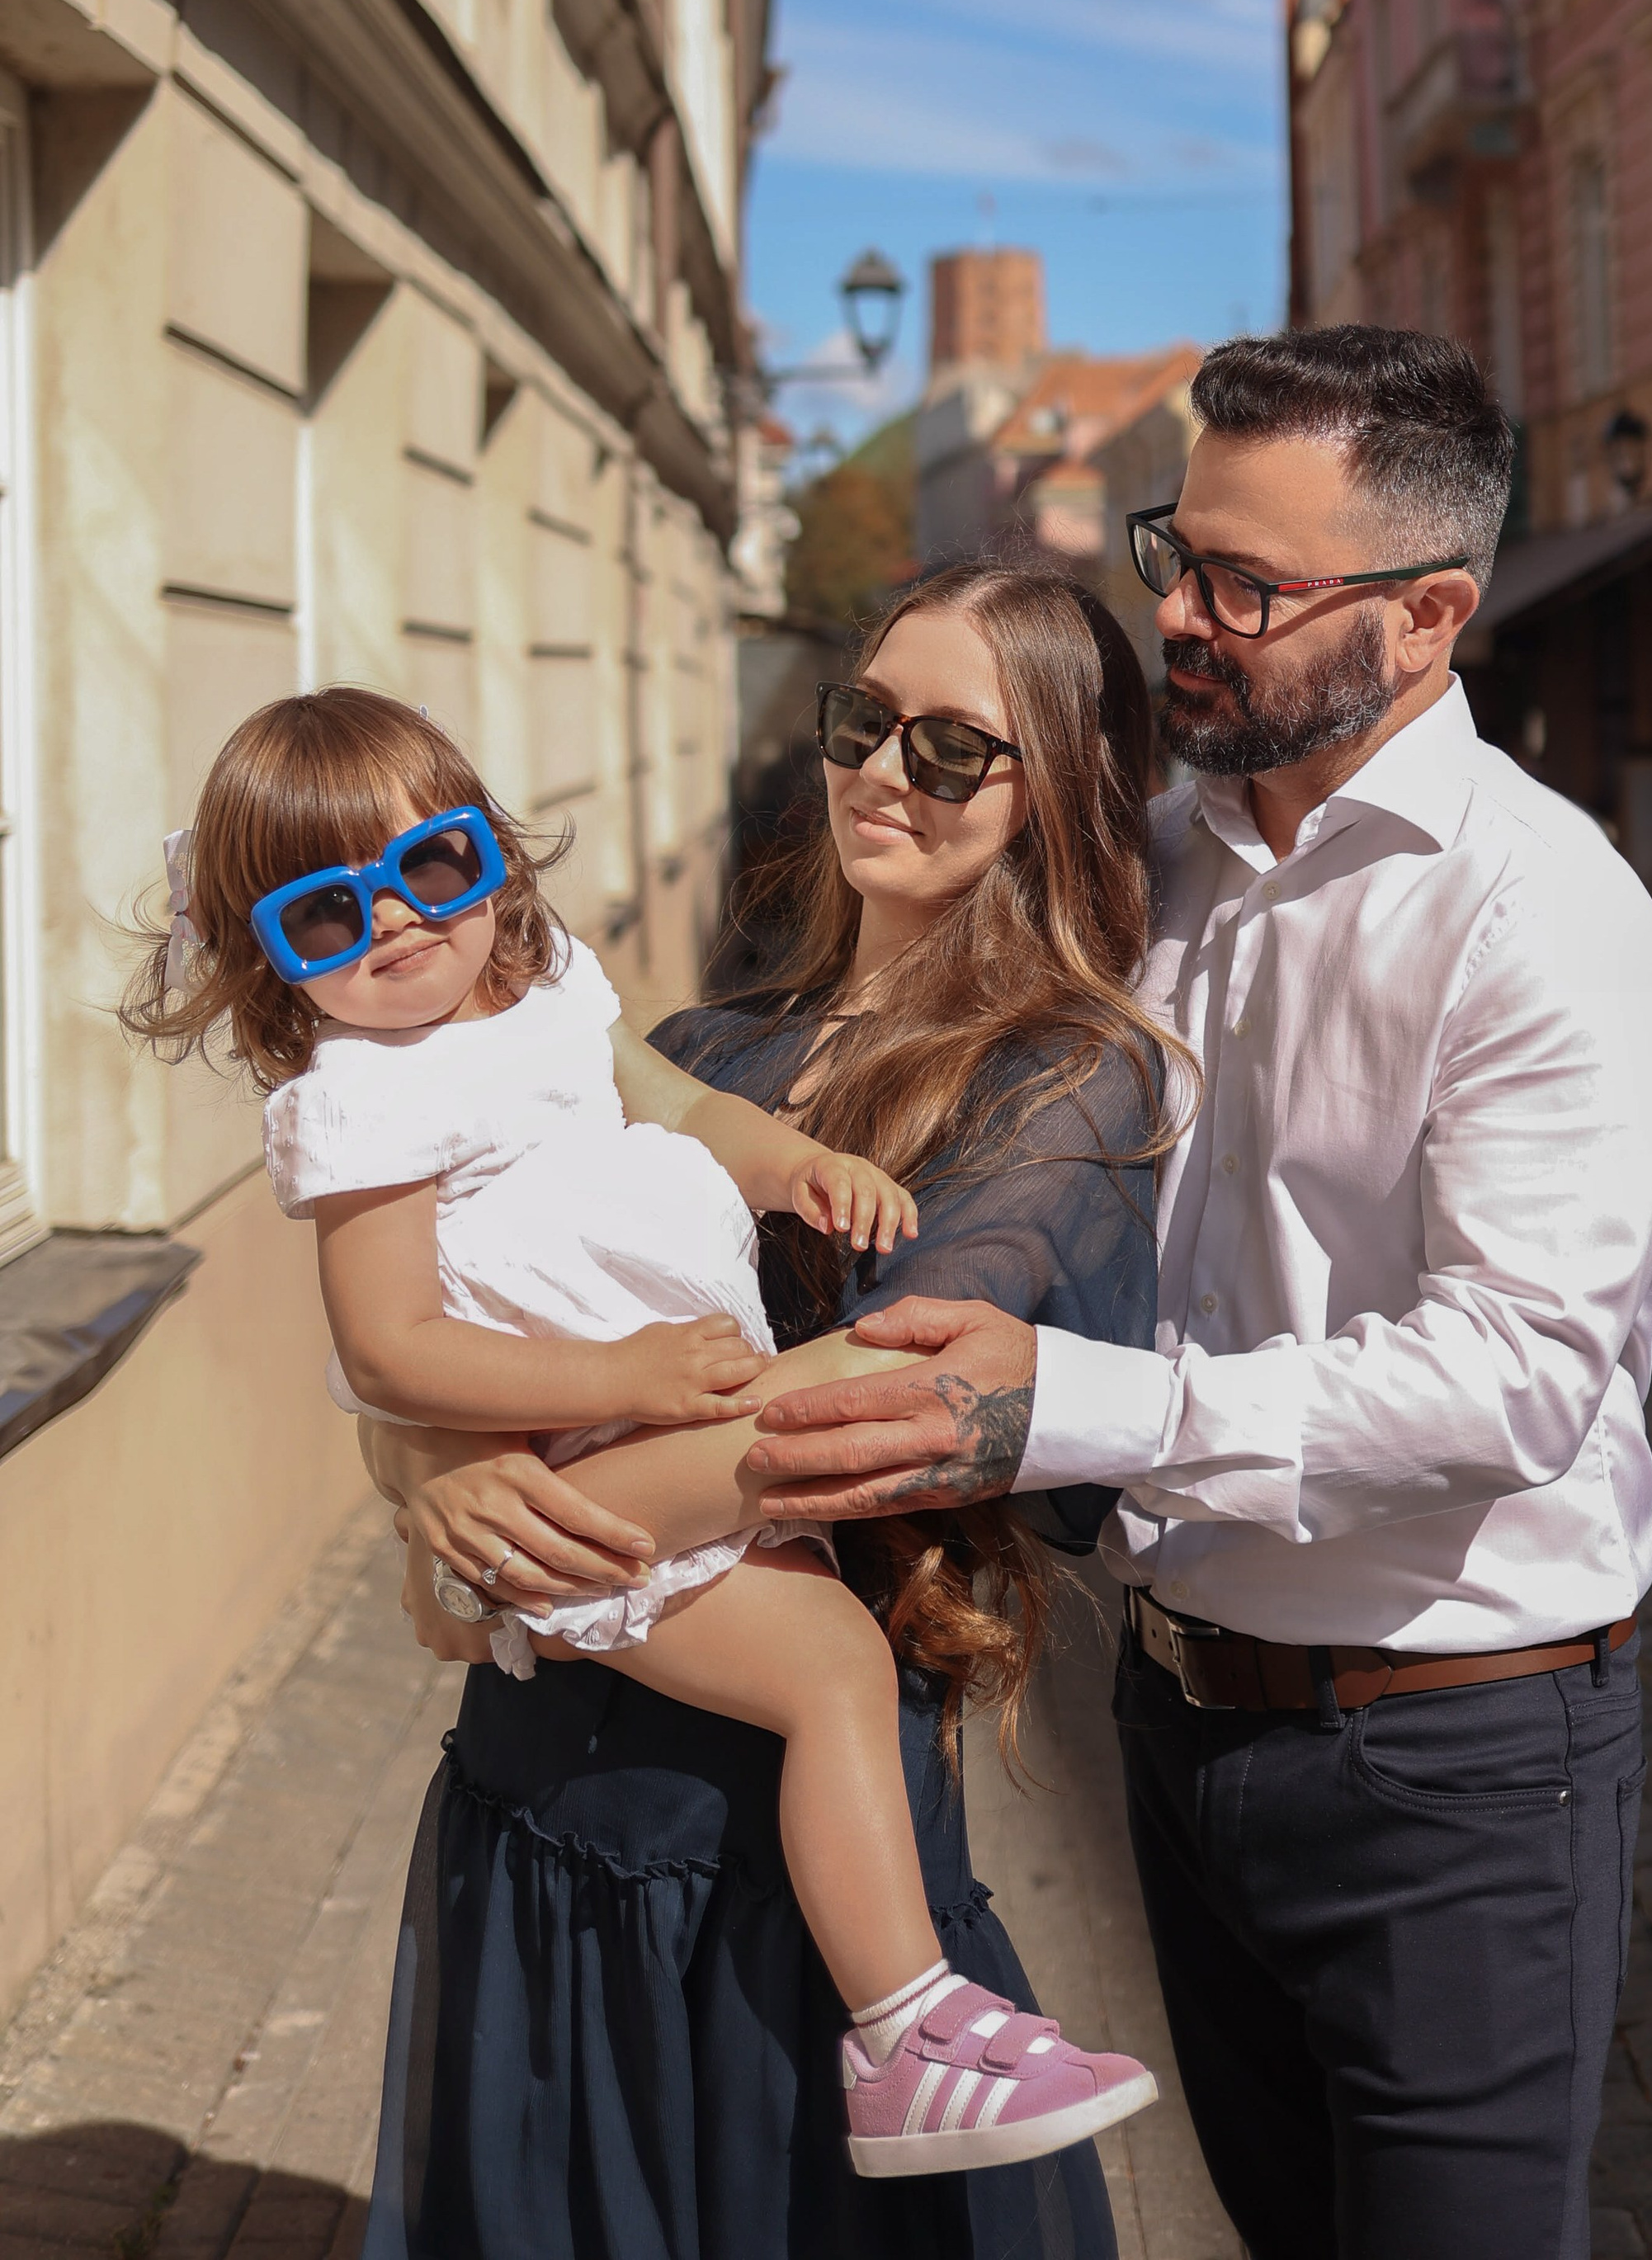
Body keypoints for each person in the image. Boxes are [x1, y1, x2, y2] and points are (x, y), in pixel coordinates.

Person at [740, 327, 1652, 2260]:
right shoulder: (1145, 860)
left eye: (1243, 587)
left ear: (1427, 614)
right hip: (1179, 1716)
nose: (1176, 614)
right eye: (1172, 546)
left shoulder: (1545, 915)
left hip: (1454, 1761)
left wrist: (1073, 1402)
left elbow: (1513, 1377)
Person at [121, 683, 1154, 2183]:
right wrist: (564, 1405)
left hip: (647, 1462)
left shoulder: (554, 1007)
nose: (400, 929)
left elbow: (682, 1111)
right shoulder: (359, 1103)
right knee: (827, 1577)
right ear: (268, 959)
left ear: (493, 858)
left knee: (835, 1672)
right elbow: (387, 1344)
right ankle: (911, 2033)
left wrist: (798, 1159)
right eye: (325, 919)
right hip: (588, 1473)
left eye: (433, 869)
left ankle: (908, 2029)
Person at [350, 564, 1182, 2258]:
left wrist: (503, 1542)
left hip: (790, 1860)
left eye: (955, 747)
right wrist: (414, 1454)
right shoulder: (689, 1045)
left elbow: (869, 1389)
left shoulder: (1068, 1074)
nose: (885, 769)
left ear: (1058, 795)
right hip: (535, 1801)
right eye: (863, 721)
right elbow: (427, 1304)